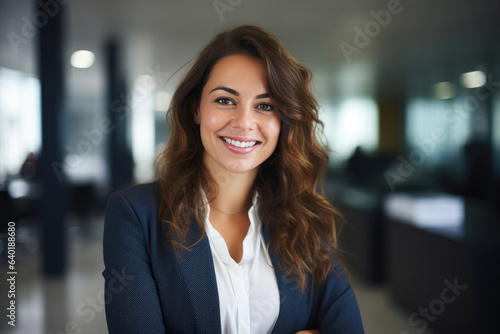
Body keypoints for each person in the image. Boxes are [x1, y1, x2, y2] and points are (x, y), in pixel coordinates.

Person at [102, 25, 364, 334]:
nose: (244, 122)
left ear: (283, 123)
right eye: (225, 100)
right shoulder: (135, 214)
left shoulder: (308, 219)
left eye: (265, 106)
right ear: (195, 108)